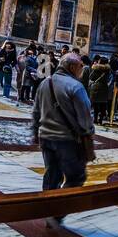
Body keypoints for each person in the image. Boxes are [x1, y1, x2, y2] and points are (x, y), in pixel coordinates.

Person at [32, 51, 94, 221]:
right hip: (67, 140)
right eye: (81, 66)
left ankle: (46, 210)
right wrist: (88, 134)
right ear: (72, 66)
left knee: (52, 174)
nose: (82, 70)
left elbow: (36, 111)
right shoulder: (76, 86)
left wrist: (34, 133)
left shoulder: (46, 82)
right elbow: (85, 117)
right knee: (76, 177)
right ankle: (56, 214)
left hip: (45, 137)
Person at [88, 54, 112, 125]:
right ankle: (100, 119)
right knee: (103, 104)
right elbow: (108, 79)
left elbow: (91, 77)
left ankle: (95, 119)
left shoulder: (96, 69)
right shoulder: (108, 70)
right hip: (104, 88)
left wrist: (93, 68)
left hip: (96, 87)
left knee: (95, 105)